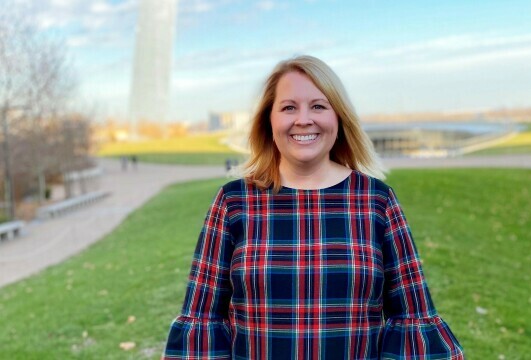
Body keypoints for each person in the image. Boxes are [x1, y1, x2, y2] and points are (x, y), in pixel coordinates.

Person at [163, 55, 464, 359]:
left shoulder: (377, 201)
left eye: (318, 106)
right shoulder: (234, 202)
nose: (303, 119)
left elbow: (411, 317)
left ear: (339, 117)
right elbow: (204, 319)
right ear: (270, 119)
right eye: (289, 107)